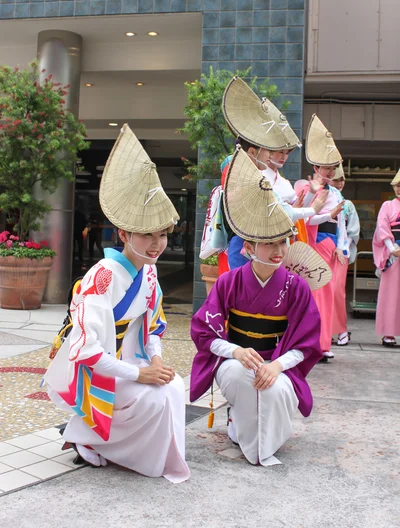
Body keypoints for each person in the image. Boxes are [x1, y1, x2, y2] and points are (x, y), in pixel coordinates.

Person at [44, 125, 190, 483]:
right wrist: (140, 373)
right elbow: (87, 349)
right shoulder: (103, 275)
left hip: (124, 357)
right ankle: (89, 440)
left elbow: (152, 326)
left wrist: (154, 359)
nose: (157, 244)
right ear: (123, 234)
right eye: (147, 235)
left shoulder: (150, 274)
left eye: (162, 234)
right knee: (154, 397)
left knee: (173, 386)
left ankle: (130, 450)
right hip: (92, 366)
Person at [191, 146, 323, 467]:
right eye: (269, 243)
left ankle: (260, 435)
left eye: (283, 241)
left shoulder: (296, 286)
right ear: (248, 246)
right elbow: (203, 331)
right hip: (237, 360)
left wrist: (276, 366)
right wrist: (235, 352)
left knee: (275, 390)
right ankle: (244, 425)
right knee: (240, 376)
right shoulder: (229, 282)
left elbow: (307, 343)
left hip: (278, 362)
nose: (279, 250)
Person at [219, 76, 328, 269]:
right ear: (252, 152)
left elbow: (284, 210)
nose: (273, 156)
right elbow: (280, 210)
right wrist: (313, 209)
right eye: (271, 150)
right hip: (249, 245)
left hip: (267, 244)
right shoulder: (243, 175)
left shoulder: (257, 175)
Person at [295, 114, 346, 361]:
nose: (330, 171)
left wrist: (341, 246)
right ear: (315, 168)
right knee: (314, 295)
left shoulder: (333, 192)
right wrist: (326, 213)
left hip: (329, 246)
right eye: (326, 168)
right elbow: (304, 220)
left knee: (327, 295)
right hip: (314, 246)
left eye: (333, 168)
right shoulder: (305, 187)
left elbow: (340, 224)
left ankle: (323, 343)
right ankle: (312, 344)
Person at [331, 164, 360, 345]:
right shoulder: (322, 198)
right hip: (323, 249)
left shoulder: (347, 204)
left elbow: (353, 231)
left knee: (337, 291)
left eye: (342, 179)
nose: (340, 183)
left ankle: (341, 329)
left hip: (341, 252)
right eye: (337, 179)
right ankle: (322, 331)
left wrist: (342, 247)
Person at [372, 169, 400, 347]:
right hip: (394, 252)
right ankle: (388, 333)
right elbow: (382, 226)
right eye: (397, 186)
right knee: (391, 294)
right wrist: (391, 248)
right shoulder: (388, 206)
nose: (399, 189)